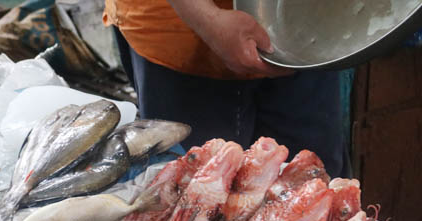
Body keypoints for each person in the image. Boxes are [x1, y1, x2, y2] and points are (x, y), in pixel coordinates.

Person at [104, 0, 350, 178]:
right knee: (199, 196)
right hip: (181, 33)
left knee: (316, 188)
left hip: (307, 25)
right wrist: (207, 19)